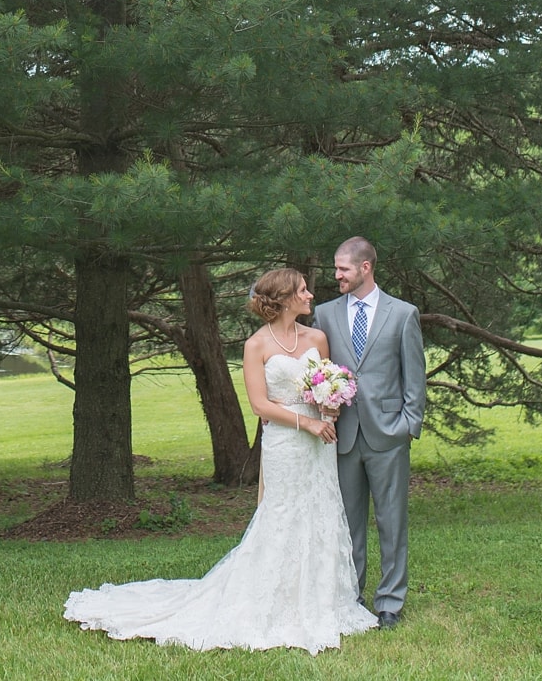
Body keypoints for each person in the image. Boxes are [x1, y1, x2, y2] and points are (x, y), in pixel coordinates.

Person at [62, 268, 379, 653]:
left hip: (319, 442)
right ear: (283, 299)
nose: (311, 295)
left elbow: (328, 387)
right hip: (286, 442)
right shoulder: (257, 345)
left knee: (322, 512)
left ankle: (321, 600)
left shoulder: (317, 338)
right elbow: (261, 405)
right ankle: (271, 603)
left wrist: (328, 415)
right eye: (302, 290)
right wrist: (304, 423)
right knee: (282, 514)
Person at [311, 236, 426, 627]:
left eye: (342, 268)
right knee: (348, 521)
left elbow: (415, 376)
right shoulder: (325, 315)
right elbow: (318, 373)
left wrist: (409, 425)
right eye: (336, 268)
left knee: (391, 521)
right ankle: (350, 595)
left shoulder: (403, 313)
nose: (336, 275)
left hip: (389, 434)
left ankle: (390, 602)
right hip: (342, 435)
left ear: (365, 268)